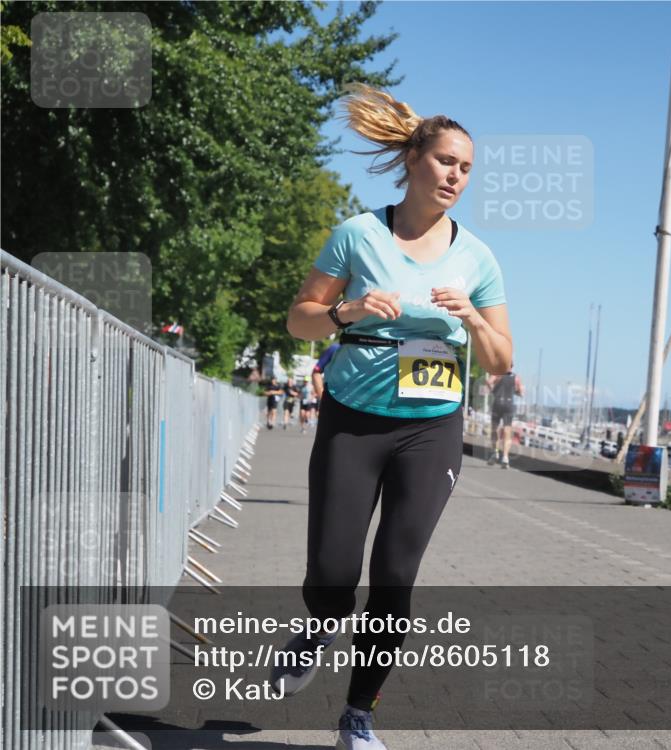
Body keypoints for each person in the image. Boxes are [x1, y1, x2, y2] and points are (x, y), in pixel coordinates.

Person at [276, 83, 512, 750]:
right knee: (333, 568)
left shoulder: (478, 258)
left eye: (466, 168)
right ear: (413, 160)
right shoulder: (358, 234)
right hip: (353, 419)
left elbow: (499, 359)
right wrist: (345, 311)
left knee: (396, 577)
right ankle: (320, 624)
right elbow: (299, 320)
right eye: (445, 161)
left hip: (431, 428)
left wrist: (472, 318)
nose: (456, 176)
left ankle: (358, 716)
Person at [487, 367, 523, 468]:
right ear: (512, 367)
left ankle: (495, 453)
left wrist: (493, 390)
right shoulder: (516, 377)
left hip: (497, 403)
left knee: (494, 429)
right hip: (508, 405)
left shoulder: (497, 373)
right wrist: (515, 391)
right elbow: (521, 392)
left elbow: (489, 382)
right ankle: (505, 458)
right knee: (507, 431)